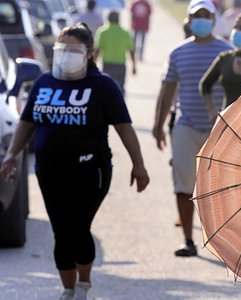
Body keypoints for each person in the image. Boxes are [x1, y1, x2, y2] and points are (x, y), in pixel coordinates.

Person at [0, 23, 149, 300]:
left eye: (73, 50)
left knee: (78, 226)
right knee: (60, 230)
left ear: (89, 52)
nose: (66, 54)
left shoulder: (103, 86)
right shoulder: (45, 83)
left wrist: (138, 164)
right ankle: (68, 290)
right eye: (61, 49)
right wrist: (11, 154)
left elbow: (124, 128)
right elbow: (27, 121)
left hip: (90, 170)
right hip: (50, 170)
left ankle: (84, 285)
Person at [152, 0, 233, 257]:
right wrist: (158, 125)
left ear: (213, 19)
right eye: (196, 15)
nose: (201, 19)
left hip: (219, 129)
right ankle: (188, 239)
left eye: (205, 15)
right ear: (188, 20)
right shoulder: (178, 53)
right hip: (186, 125)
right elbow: (167, 90)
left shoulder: (228, 52)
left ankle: (222, 242)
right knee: (183, 183)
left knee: (219, 187)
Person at [94, 10, 136, 94]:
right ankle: (119, 105)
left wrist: (93, 63)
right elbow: (131, 51)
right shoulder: (125, 33)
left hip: (107, 64)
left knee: (107, 87)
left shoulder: (102, 32)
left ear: (108, 19)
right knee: (120, 87)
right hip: (120, 64)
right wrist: (134, 65)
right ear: (119, 19)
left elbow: (97, 49)